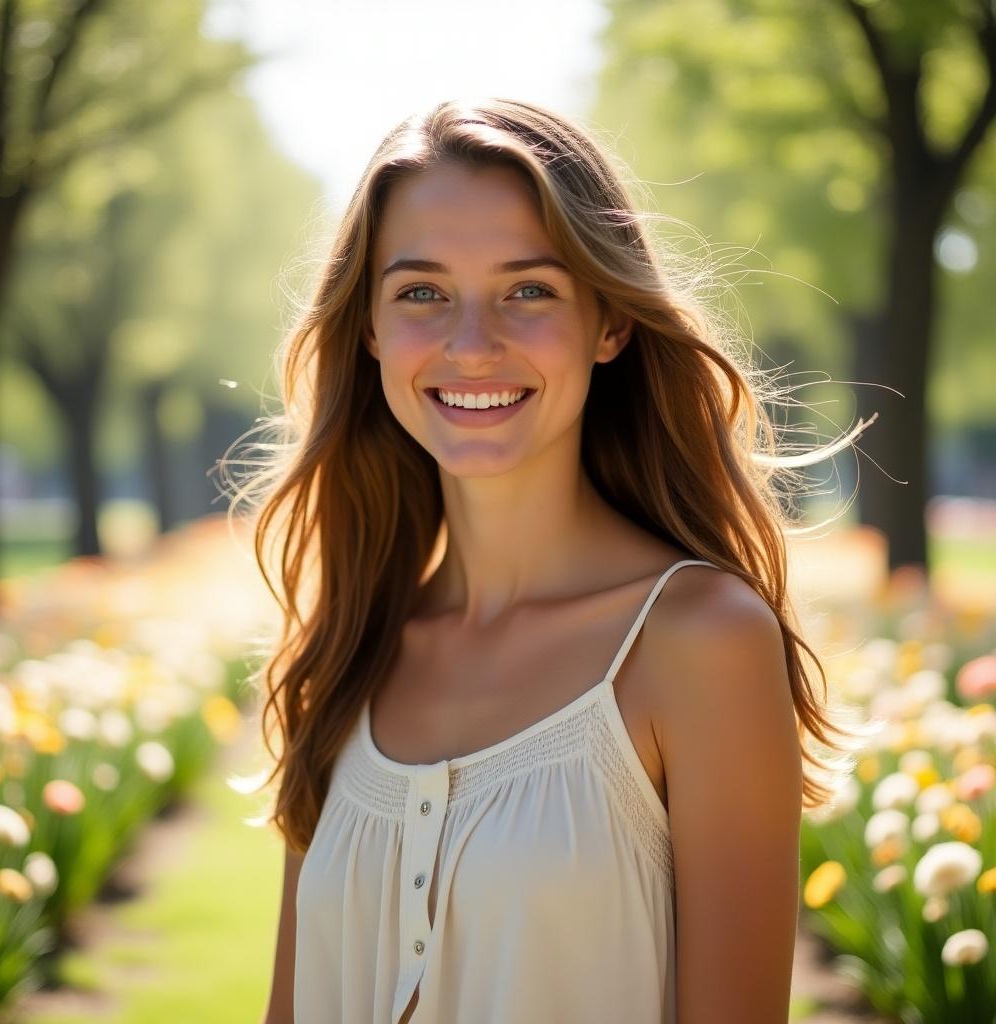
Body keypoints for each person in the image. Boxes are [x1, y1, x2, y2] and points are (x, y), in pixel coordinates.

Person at [242, 97, 873, 1024]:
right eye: (421, 292)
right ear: (371, 330)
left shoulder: (701, 644)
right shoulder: (351, 653)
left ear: (609, 324)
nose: (471, 343)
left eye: (528, 289)